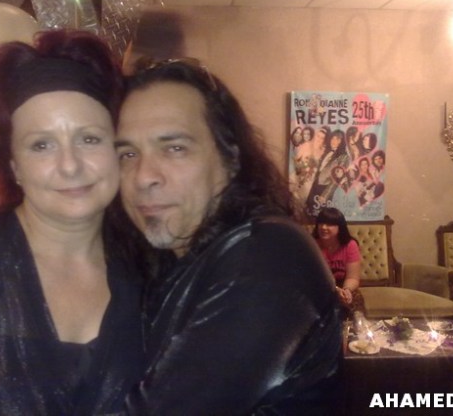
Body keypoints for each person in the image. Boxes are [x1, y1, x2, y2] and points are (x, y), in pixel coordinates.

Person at [114, 58, 342, 414]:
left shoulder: (264, 258)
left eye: (174, 148)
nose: (143, 176)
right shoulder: (170, 259)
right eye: (128, 153)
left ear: (230, 158)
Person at [0, 30, 143, 414]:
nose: (70, 165)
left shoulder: (150, 268)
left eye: (89, 139)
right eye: (41, 145)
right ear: (14, 165)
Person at [312, 207, 361, 311]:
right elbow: (311, 277)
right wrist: (335, 290)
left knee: (352, 301)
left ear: (340, 227)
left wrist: (346, 290)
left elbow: (353, 277)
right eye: (321, 223)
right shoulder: (312, 244)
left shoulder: (350, 245)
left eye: (329, 224)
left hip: (344, 285)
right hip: (319, 288)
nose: (323, 227)